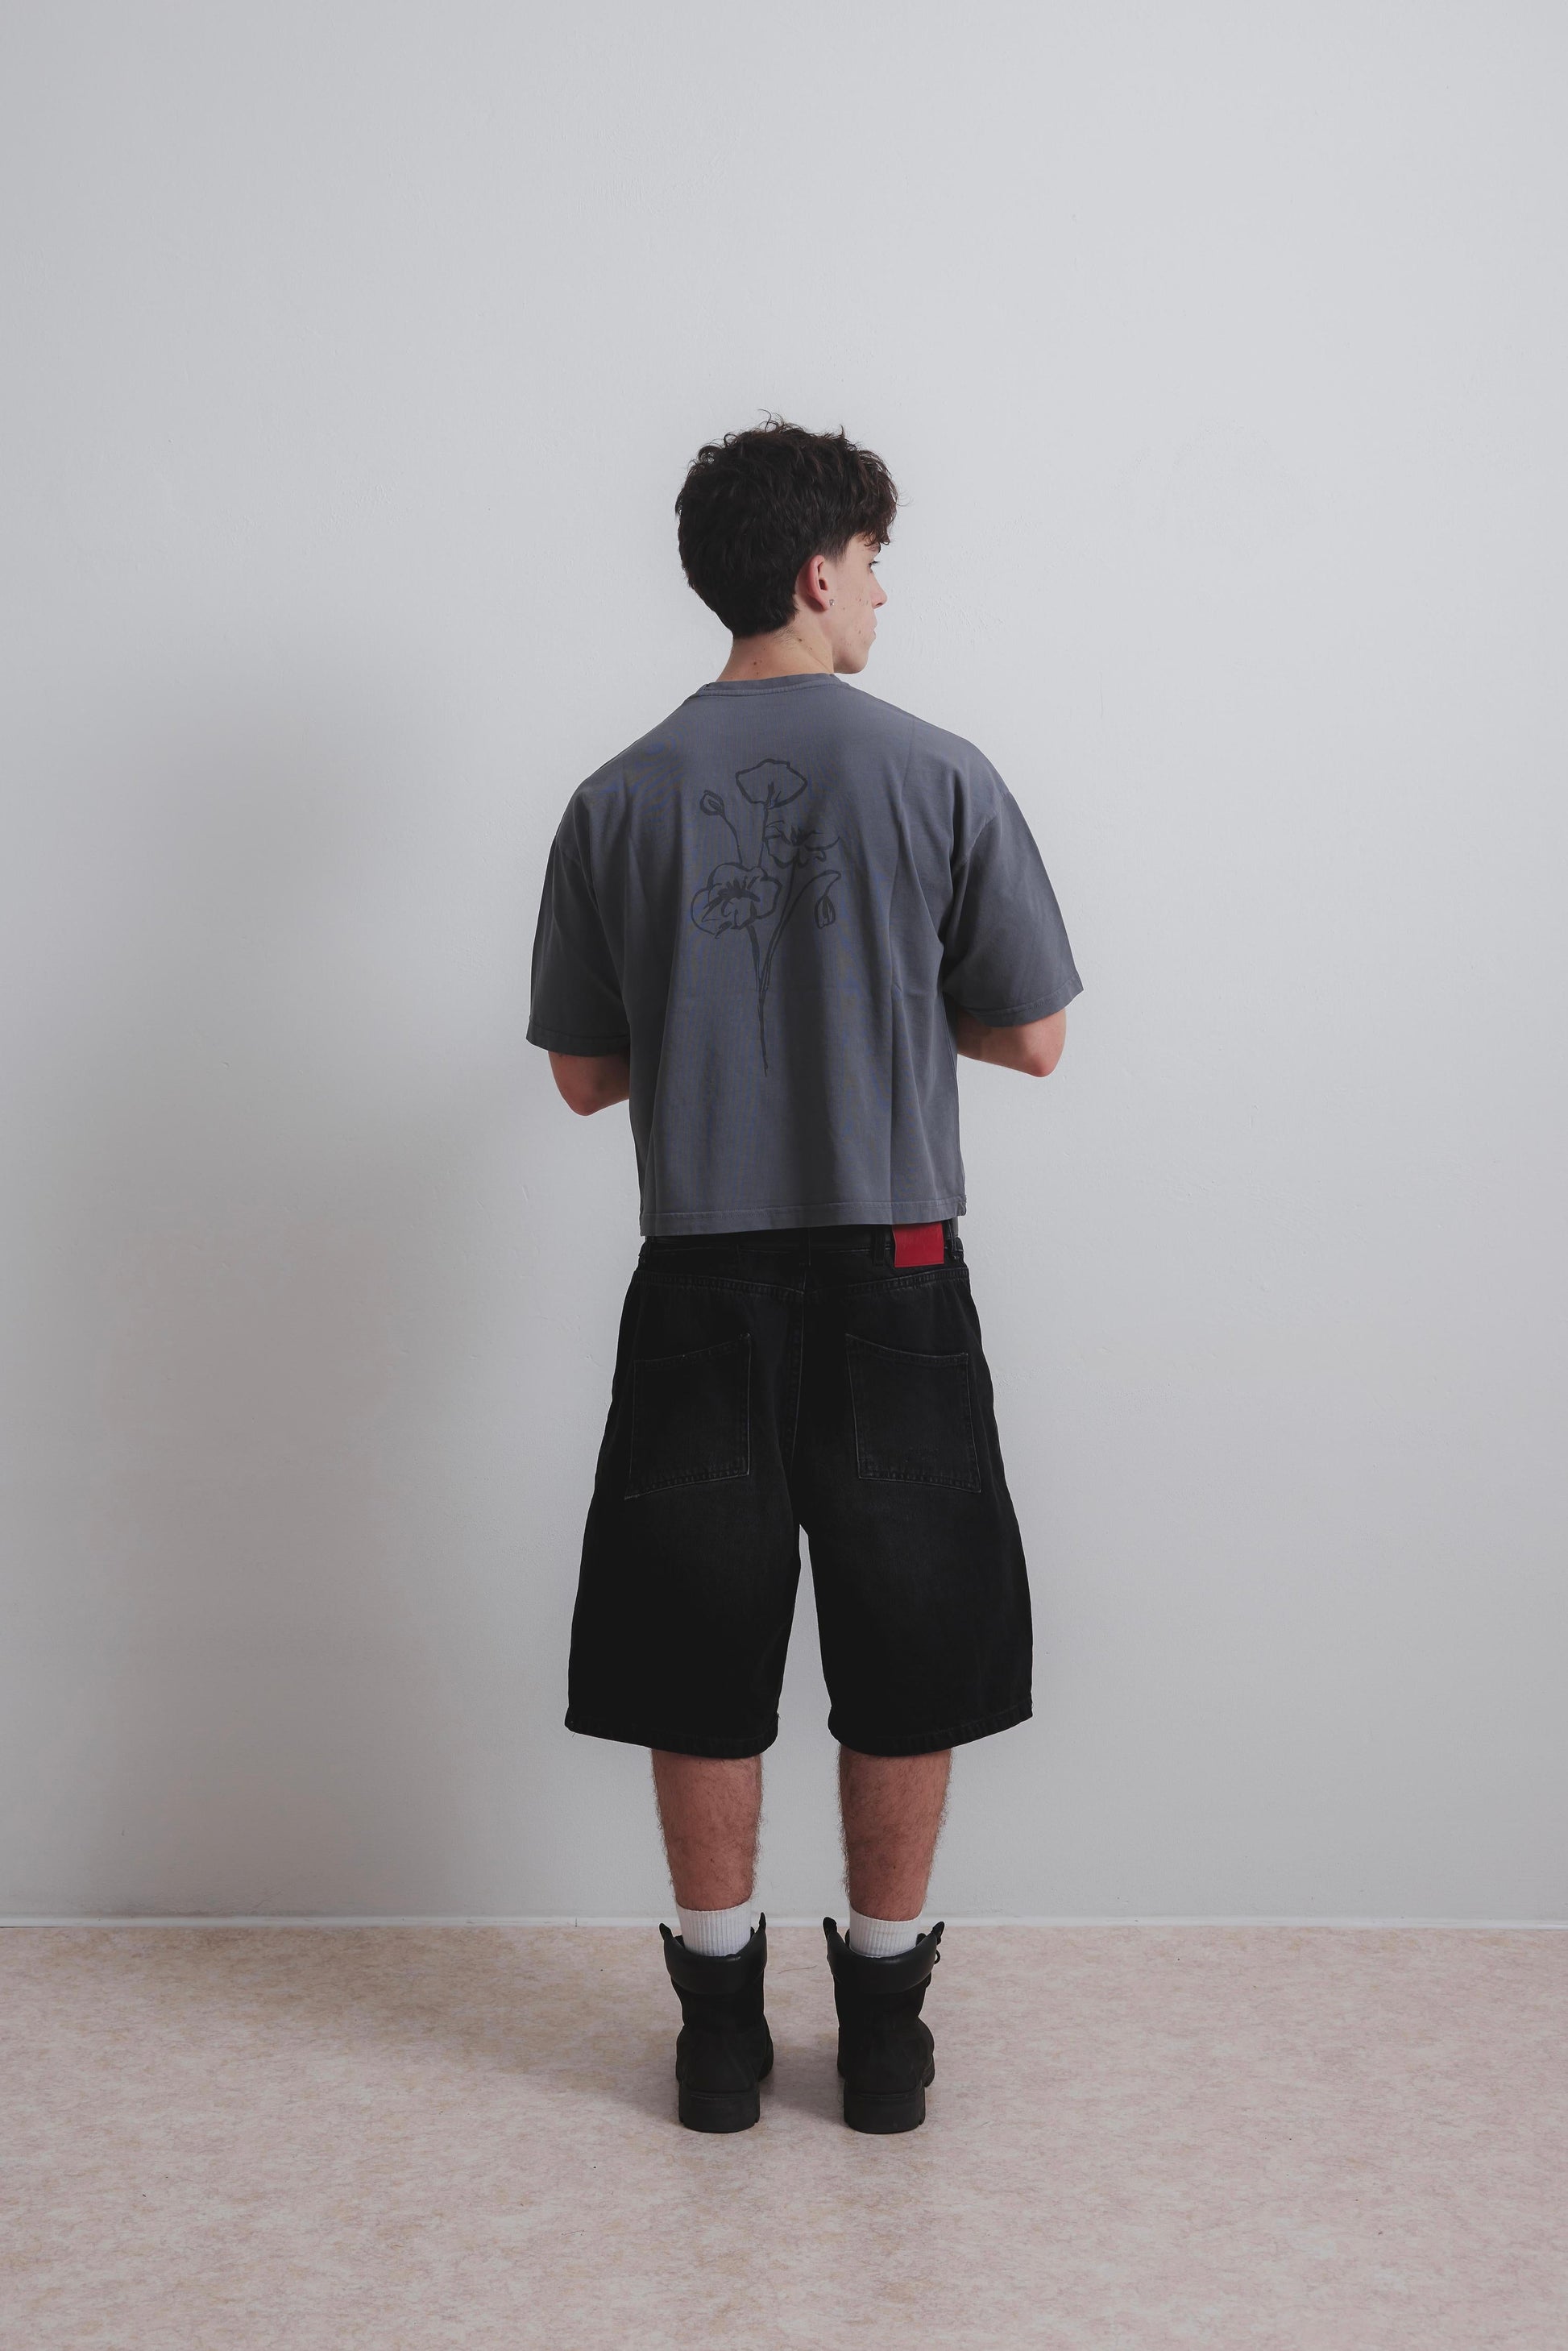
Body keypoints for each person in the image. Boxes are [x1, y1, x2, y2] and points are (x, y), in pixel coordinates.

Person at [527, 417, 1081, 2133]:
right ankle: (887, 2030)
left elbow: (582, 1075)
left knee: (696, 1639)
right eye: (874, 565)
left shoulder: (616, 795)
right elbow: (1037, 1036)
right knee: (906, 1631)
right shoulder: (938, 771)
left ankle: (716, 2030)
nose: (883, 596)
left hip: (699, 1268)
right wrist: (888, 1008)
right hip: (894, 1260)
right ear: (815, 570)